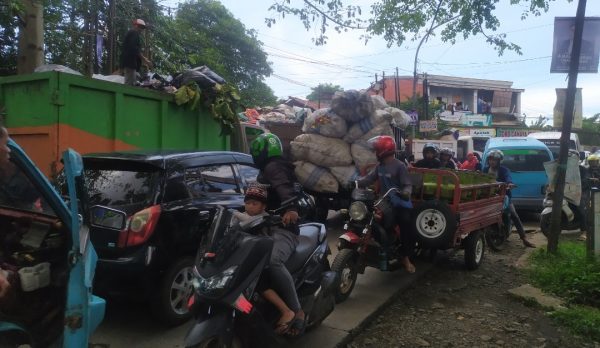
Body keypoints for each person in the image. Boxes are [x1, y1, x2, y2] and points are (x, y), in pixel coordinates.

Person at [249, 133, 305, 334]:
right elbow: (257, 196)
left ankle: (297, 311)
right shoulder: (271, 168)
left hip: (284, 228)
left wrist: (291, 208)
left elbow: (284, 188)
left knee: (273, 261)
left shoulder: (274, 167)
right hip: (266, 226)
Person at [231, 183, 299, 335]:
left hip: (258, 261)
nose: (250, 207)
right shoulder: (240, 215)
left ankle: (288, 311)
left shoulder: (266, 219)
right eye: (247, 203)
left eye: (255, 204)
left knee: (261, 281)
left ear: (263, 206)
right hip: (242, 258)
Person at [357, 136, 416, 273]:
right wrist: (354, 182)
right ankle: (380, 246)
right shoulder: (380, 167)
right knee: (370, 218)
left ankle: (406, 258)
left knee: (405, 222)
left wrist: (406, 193)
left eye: (376, 150)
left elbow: (407, 184)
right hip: (384, 201)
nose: (375, 153)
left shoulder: (400, 166)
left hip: (400, 202)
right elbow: (368, 179)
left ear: (382, 151)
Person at [483, 150, 535, 248]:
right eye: (490, 159)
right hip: (489, 197)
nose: (492, 162)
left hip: (504, 197)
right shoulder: (485, 170)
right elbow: (481, 179)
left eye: (494, 160)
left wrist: (509, 183)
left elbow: (508, 177)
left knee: (514, 215)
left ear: (499, 161)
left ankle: (524, 238)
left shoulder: (504, 170)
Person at [121, 19, 152, 86]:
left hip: (129, 63)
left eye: (143, 28)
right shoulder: (134, 33)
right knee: (129, 84)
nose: (142, 29)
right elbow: (134, 49)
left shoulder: (131, 33)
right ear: (136, 26)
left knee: (131, 81)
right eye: (141, 27)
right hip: (130, 63)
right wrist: (145, 59)